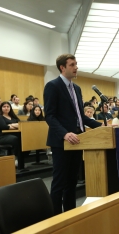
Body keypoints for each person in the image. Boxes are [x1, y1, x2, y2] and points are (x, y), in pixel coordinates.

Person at [43, 54, 102, 215]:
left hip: (78, 140)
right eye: (72, 65)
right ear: (62, 68)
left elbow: (80, 117)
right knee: (59, 183)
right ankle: (54, 219)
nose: (76, 67)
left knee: (71, 182)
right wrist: (64, 134)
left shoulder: (76, 88)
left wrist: (102, 126)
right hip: (62, 141)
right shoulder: (52, 86)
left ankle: (70, 216)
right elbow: (50, 115)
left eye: (76, 64)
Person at [0, 101, 26, 168]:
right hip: (3, 137)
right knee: (16, 139)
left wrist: (11, 125)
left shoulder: (13, 117)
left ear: (10, 108)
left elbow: (21, 125)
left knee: (25, 139)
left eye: (8, 106)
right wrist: (14, 126)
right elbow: (4, 127)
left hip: (15, 135)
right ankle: (18, 158)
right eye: (4, 106)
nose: (6, 108)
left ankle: (20, 159)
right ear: (1, 108)